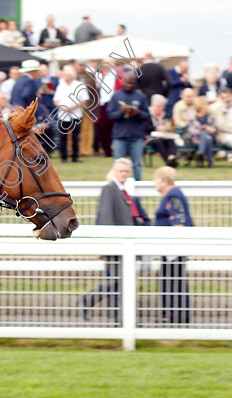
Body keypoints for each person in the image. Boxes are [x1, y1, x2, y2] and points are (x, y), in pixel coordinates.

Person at [77, 158, 149, 322]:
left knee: (121, 282)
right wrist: (107, 245)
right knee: (118, 280)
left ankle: (121, 317)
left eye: (126, 171)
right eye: (121, 171)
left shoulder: (122, 191)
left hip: (123, 244)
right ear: (115, 172)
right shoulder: (110, 189)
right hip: (116, 244)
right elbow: (106, 217)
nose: (124, 174)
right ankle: (87, 301)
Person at [152, 166, 192, 324]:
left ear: (164, 181)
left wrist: (172, 249)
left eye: (156, 179)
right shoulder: (172, 196)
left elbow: (178, 224)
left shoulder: (173, 196)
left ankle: (174, 317)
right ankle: (172, 316)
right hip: (171, 248)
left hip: (172, 250)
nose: (154, 183)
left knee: (172, 281)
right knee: (171, 281)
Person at [107, 72, 148, 179]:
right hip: (120, 135)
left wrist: (137, 112)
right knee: (118, 164)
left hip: (136, 135)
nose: (130, 85)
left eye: (132, 83)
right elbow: (110, 115)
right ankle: (117, 190)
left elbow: (147, 115)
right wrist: (122, 111)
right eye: (128, 83)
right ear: (123, 82)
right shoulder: (116, 96)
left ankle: (138, 189)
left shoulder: (141, 96)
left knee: (137, 164)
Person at [53, 65, 88, 163]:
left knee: (75, 137)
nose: (64, 77)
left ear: (71, 76)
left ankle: (75, 157)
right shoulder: (61, 86)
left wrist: (73, 107)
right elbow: (56, 100)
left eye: (66, 75)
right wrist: (63, 107)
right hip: (63, 115)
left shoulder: (79, 85)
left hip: (76, 115)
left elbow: (84, 100)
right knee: (63, 136)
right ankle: (63, 157)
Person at [144, 94, 179, 167]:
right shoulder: (147, 114)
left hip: (164, 135)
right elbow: (145, 128)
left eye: (162, 106)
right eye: (158, 106)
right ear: (152, 105)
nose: (161, 108)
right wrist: (156, 128)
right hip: (150, 137)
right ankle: (168, 161)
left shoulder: (165, 114)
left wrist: (169, 127)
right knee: (158, 142)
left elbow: (169, 124)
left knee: (171, 141)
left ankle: (172, 158)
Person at [185, 96, 216, 167]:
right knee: (207, 137)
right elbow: (191, 131)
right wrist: (204, 128)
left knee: (207, 136)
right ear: (200, 106)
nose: (208, 106)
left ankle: (201, 153)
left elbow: (214, 129)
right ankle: (210, 160)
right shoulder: (192, 119)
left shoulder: (210, 117)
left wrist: (207, 130)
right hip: (197, 140)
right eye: (206, 104)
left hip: (212, 139)